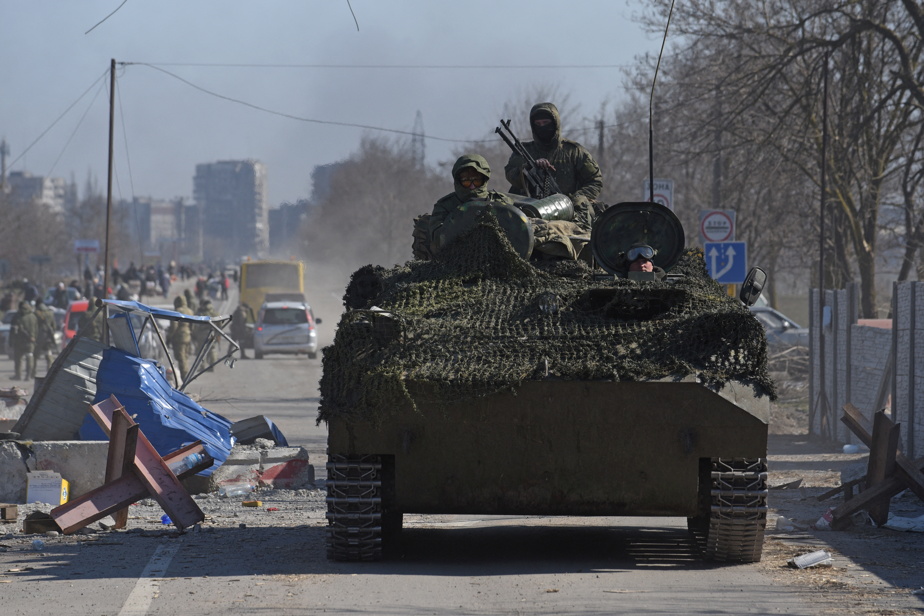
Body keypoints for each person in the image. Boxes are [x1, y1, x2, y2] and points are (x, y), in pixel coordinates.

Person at [503, 102, 603, 230]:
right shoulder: (524, 151)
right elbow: (511, 175)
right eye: (538, 124)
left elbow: (595, 180)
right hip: (530, 213)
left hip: (568, 215)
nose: (542, 127)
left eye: (546, 123)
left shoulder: (574, 151)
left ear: (555, 123)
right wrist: (529, 168)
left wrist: (573, 201)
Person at [429, 154, 516, 254]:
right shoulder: (445, 206)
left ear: (484, 179)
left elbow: (518, 232)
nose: (472, 186)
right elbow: (438, 239)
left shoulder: (501, 202)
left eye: (476, 180)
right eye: (466, 181)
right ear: (458, 181)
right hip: (456, 258)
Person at [167, 295, 194, 382]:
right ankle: (186, 373)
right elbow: (193, 325)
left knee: (181, 357)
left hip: (179, 337)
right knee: (185, 356)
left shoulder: (177, 312)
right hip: (188, 335)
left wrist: (169, 337)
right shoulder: (190, 311)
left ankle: (185, 376)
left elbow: (174, 326)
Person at [10, 300, 38, 381]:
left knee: (18, 359)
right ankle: (28, 376)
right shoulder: (33, 316)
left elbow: (12, 330)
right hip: (30, 341)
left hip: (19, 342)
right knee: (29, 357)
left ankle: (18, 375)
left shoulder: (17, 316)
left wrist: (11, 341)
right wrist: (34, 337)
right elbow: (36, 329)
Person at [194, 298, 220, 371]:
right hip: (212, 332)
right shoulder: (215, 312)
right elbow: (220, 323)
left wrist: (194, 334)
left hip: (202, 333)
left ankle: (202, 366)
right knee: (212, 349)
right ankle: (212, 365)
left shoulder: (200, 312)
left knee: (201, 350)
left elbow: (195, 324)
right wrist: (218, 333)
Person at [33, 298, 58, 374]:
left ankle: (32, 371)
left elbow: (34, 326)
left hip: (39, 337)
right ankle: (50, 371)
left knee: (35, 355)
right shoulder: (50, 312)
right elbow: (54, 326)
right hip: (48, 336)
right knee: (48, 353)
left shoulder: (36, 313)